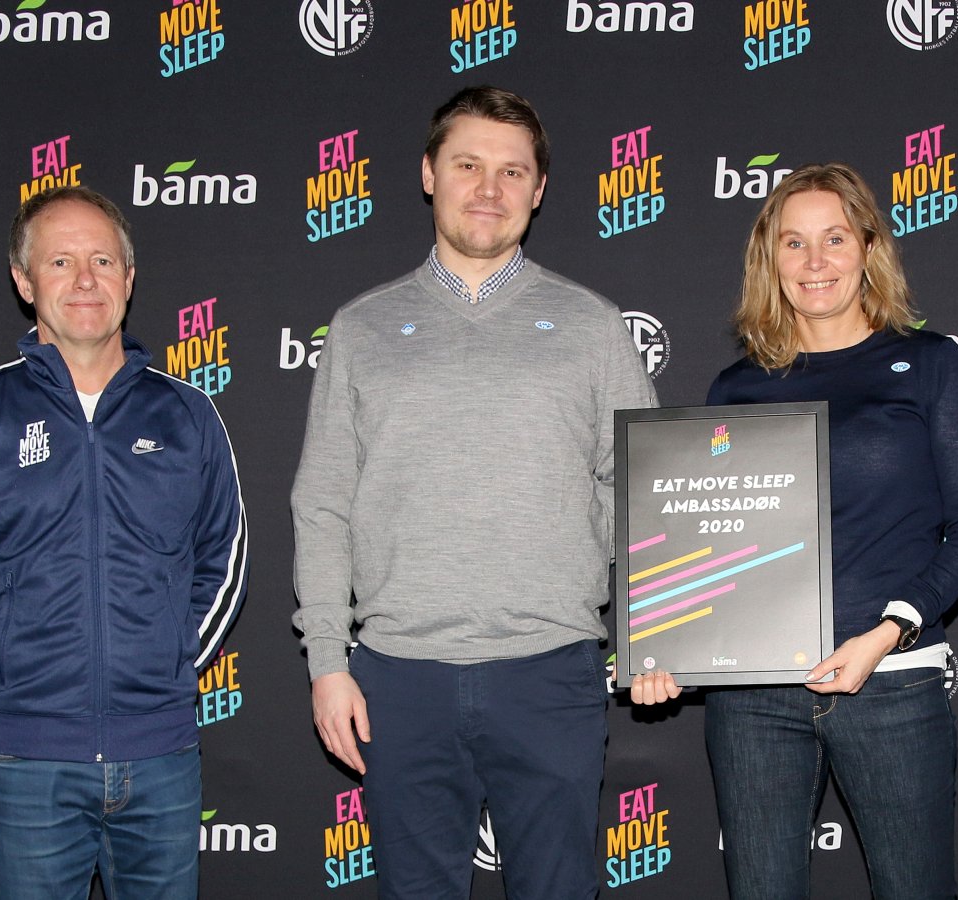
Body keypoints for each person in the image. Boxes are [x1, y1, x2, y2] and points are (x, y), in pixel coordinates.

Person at [291, 85, 657, 899]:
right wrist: (326, 661)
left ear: (539, 189)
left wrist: (656, 629)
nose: (488, 189)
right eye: (467, 165)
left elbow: (642, 491)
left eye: (511, 170)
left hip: (552, 671)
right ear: (428, 174)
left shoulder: (594, 327)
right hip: (397, 675)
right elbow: (323, 504)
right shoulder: (363, 328)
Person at [633, 163, 958, 899]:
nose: (815, 262)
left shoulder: (927, 364)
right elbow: (708, 539)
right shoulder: (736, 387)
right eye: (793, 243)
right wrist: (667, 644)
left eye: (834, 238)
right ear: (769, 258)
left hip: (892, 684)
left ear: (869, 246)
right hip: (754, 700)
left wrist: (887, 632)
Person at [0, 185, 249, 899]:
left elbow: (224, 559)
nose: (85, 279)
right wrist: (5, 682)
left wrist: (168, 667)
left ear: (128, 277)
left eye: (101, 259)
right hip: (27, 763)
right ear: (24, 282)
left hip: (161, 758)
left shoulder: (189, 415)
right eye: (60, 262)